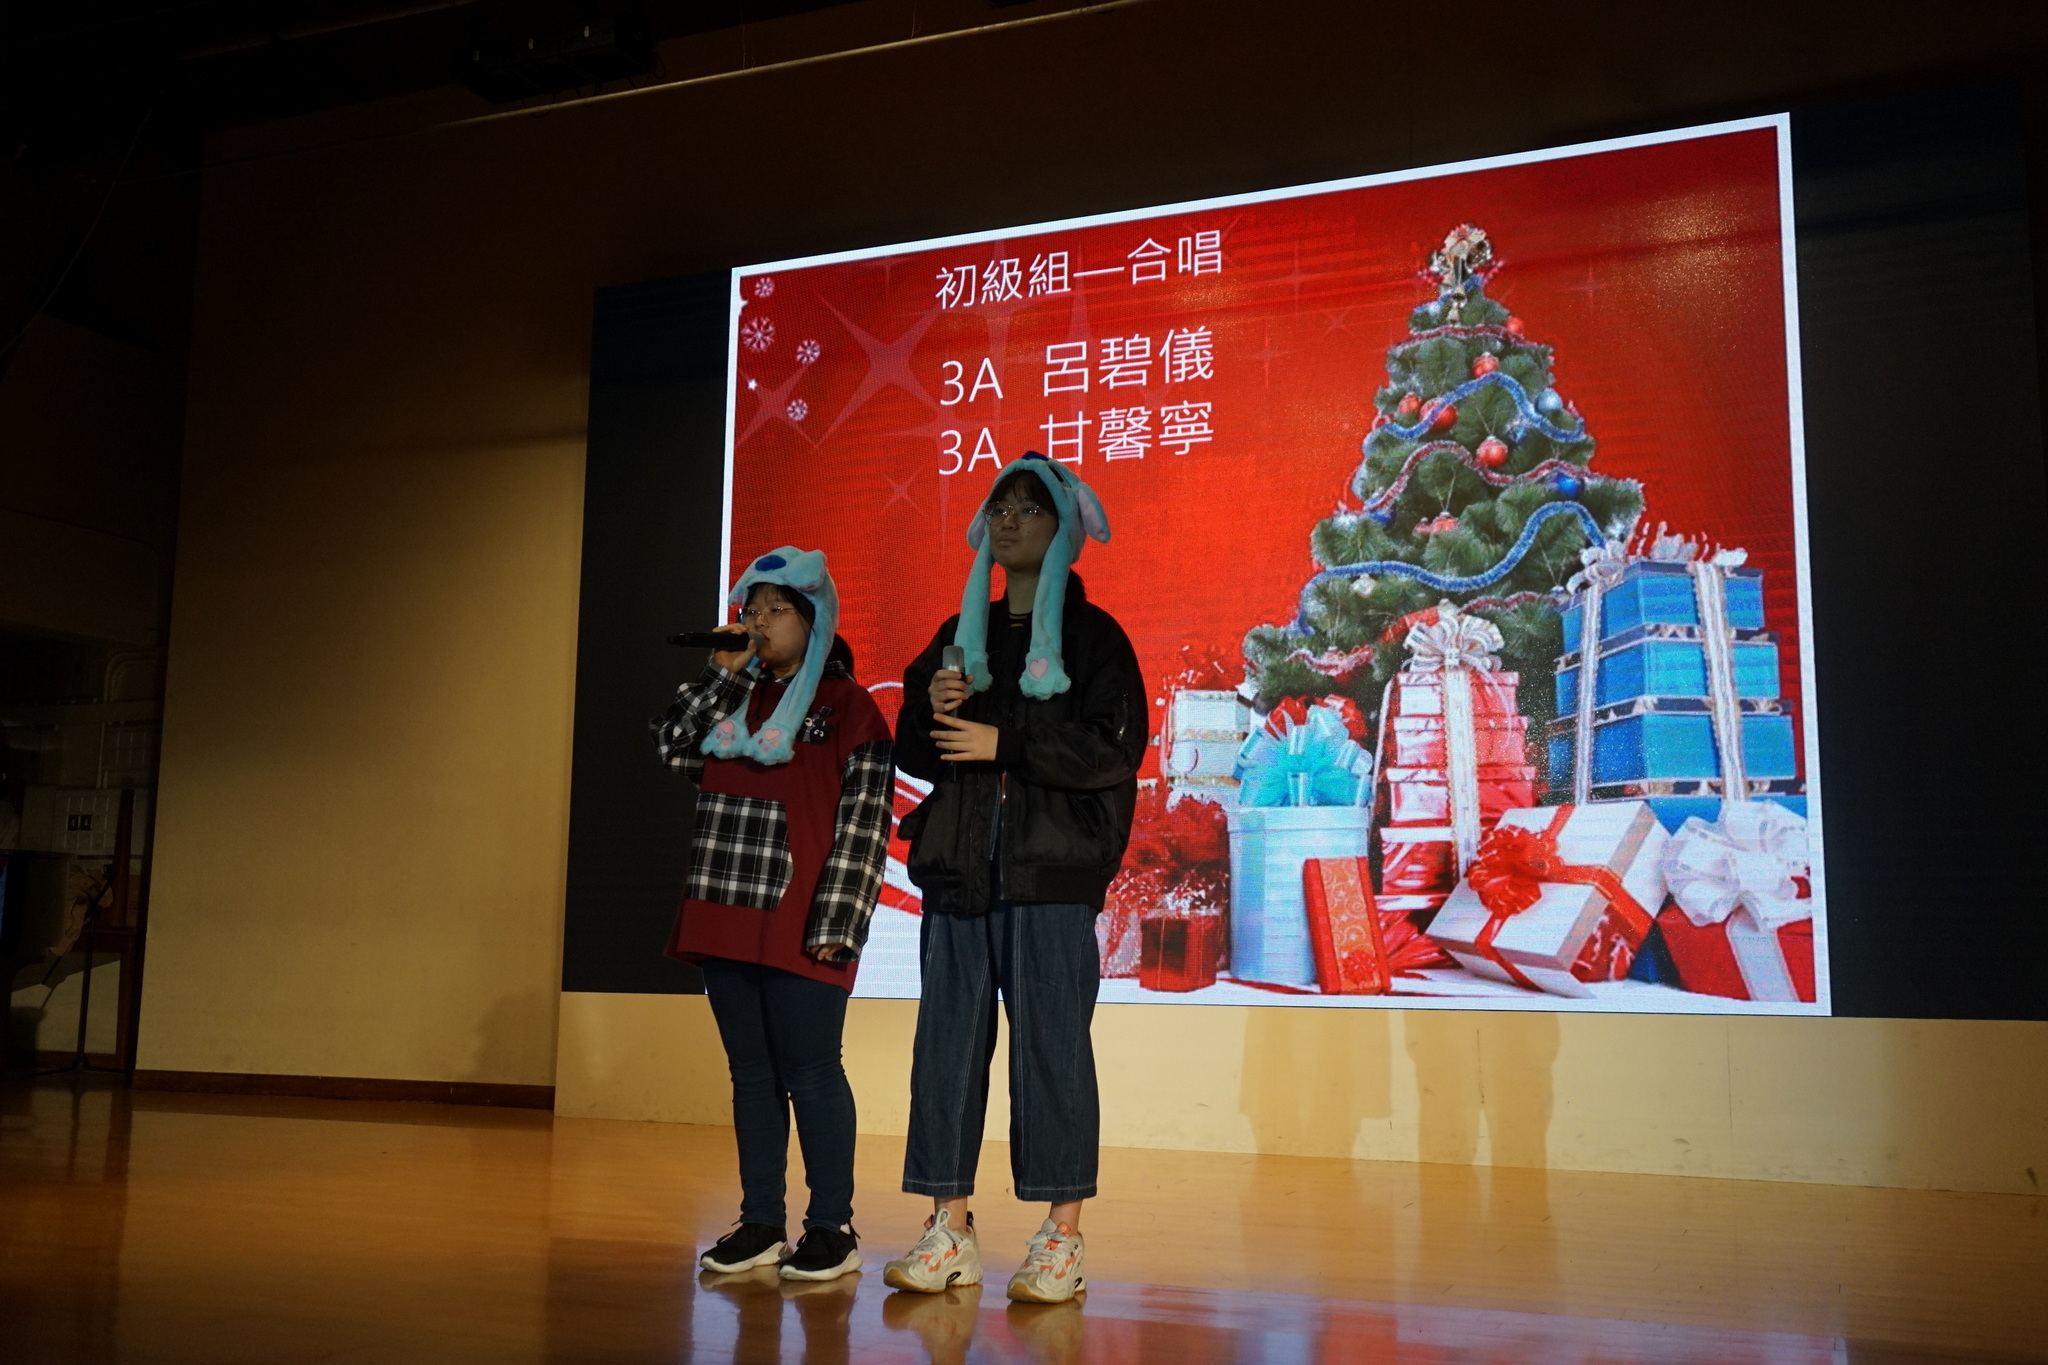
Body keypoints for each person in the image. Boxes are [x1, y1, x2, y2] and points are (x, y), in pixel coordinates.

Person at [883, 453, 1146, 1304]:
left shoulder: (1096, 638)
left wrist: (1009, 743)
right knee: (945, 1053)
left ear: (1065, 528)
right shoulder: (961, 634)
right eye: (999, 506)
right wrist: (932, 707)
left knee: (1053, 1052)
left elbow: (1113, 749)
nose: (1009, 519)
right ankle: (949, 1227)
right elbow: (914, 745)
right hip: (961, 871)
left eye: (1030, 508)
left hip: (1052, 876)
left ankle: (1062, 1239)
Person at [652, 547, 894, 1283]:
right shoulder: (733, 694)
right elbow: (671, 748)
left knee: (812, 1071)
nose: (757, 621)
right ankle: (760, 1221)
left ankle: (831, 1227)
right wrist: (718, 674)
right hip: (724, 904)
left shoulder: (849, 705)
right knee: (751, 1074)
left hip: (802, 916)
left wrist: (839, 923)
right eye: (750, 608)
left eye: (775, 609)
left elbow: (864, 824)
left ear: (814, 620)